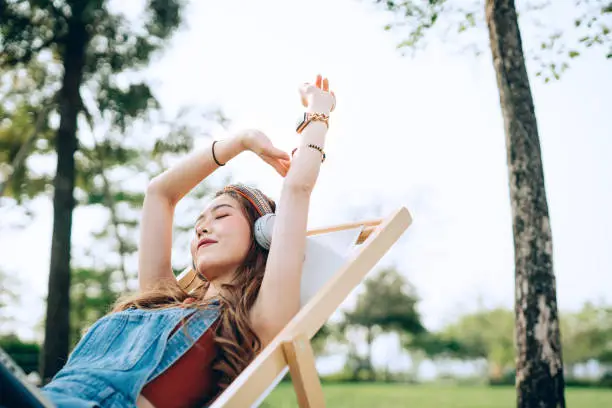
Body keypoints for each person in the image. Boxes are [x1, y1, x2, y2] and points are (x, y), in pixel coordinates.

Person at [38, 75, 336, 408]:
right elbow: (159, 193)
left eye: (221, 216)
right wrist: (242, 141)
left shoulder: (254, 323)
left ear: (264, 232)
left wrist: (319, 111)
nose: (202, 229)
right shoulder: (160, 297)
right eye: (197, 226)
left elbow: (297, 188)